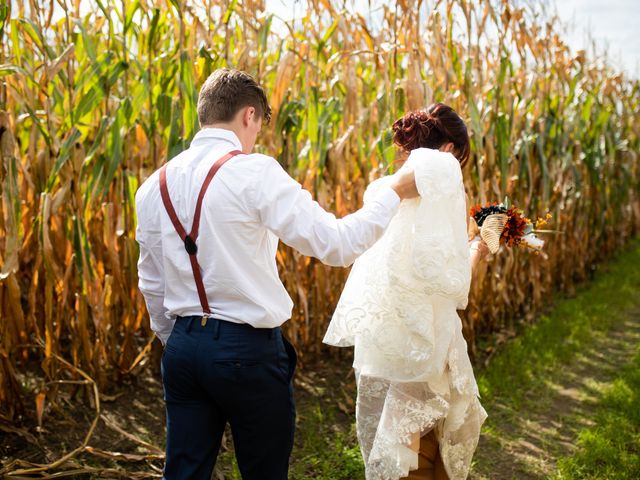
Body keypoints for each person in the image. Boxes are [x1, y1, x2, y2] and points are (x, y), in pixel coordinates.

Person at [134, 68, 420, 480]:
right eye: (260, 125)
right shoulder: (254, 172)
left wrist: (178, 341)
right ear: (249, 115)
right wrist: (391, 193)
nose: (256, 139)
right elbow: (336, 245)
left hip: (182, 350)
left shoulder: (152, 186)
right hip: (246, 353)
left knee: (183, 473)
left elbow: (152, 283)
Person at [324, 103, 490, 480]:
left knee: (402, 456)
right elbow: (452, 283)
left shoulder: (381, 190)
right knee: (433, 457)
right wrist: (480, 245)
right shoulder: (443, 168)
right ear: (450, 149)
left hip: (386, 348)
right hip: (427, 345)